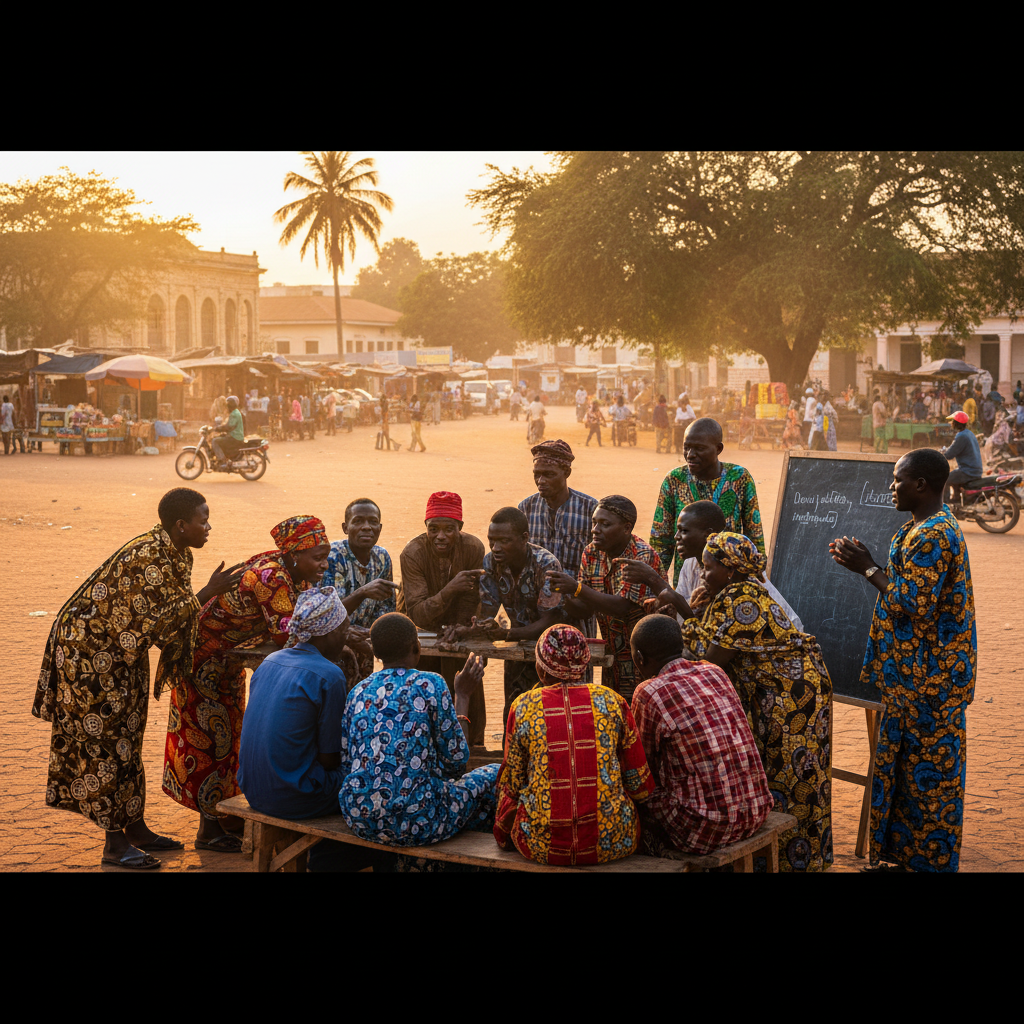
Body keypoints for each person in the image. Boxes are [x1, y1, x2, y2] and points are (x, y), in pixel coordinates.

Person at [31, 488, 241, 869]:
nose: (208, 527)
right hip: (90, 655)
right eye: (203, 519)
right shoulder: (149, 557)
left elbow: (162, 619)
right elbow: (157, 621)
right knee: (107, 744)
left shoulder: (176, 554)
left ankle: (136, 829)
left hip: (122, 653)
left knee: (128, 738)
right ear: (181, 525)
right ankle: (114, 845)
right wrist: (209, 592)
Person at [830, 449, 975, 872]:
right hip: (913, 680)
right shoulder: (920, 528)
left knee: (930, 781)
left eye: (897, 480)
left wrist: (867, 568)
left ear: (921, 485)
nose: (890, 487)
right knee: (910, 774)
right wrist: (871, 561)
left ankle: (931, 860)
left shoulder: (934, 534)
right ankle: (907, 856)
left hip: (930, 682)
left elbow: (915, 603)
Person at [162, 515, 331, 851]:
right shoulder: (271, 576)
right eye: (317, 557)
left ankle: (222, 817)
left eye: (326, 556)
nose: (324, 564)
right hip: (202, 662)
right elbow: (291, 634)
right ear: (295, 554)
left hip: (226, 661)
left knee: (230, 738)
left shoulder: (295, 573)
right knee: (210, 743)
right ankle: (208, 830)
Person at [674, 532, 834, 872]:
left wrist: (679, 607)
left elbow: (710, 661)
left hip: (792, 700)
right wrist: (699, 609)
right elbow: (713, 640)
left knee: (792, 775)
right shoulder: (732, 593)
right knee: (780, 773)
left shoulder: (741, 598)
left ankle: (796, 861)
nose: (702, 575)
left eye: (707, 567)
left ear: (730, 570)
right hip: (780, 694)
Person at [494, 624, 654, 865]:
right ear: (584, 666)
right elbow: (640, 785)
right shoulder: (613, 701)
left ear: (541, 669)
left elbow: (512, 784)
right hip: (613, 841)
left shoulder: (523, 706)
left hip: (540, 844)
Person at [339, 613, 501, 845]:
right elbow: (457, 762)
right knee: (496, 773)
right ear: (417, 647)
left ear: (376, 653)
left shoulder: (358, 692)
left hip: (360, 818)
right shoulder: (430, 684)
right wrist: (462, 695)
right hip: (421, 819)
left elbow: (347, 762)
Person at [236, 586, 360, 870]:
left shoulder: (269, 661)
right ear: (327, 633)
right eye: (344, 629)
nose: (347, 636)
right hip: (295, 797)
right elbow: (330, 759)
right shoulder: (329, 675)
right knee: (371, 778)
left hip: (253, 789)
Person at [629, 614, 772, 856]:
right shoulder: (714, 671)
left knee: (635, 785)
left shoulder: (649, 692)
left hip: (704, 829)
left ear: (639, 658)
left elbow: (645, 766)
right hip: (754, 810)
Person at [447, 506, 566, 740]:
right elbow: (488, 611)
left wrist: (506, 634)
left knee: (550, 716)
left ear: (524, 538)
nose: (496, 547)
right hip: (518, 645)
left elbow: (550, 619)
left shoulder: (546, 564)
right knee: (514, 711)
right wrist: (472, 628)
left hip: (554, 647)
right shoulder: (491, 563)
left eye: (504, 541)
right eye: (492, 540)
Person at [547, 496, 665, 702]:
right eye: (594, 522)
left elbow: (622, 607)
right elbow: (585, 609)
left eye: (605, 524)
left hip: (647, 656)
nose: (595, 529)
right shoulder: (592, 553)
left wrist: (576, 588)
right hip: (614, 655)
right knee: (619, 709)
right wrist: (561, 595)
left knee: (645, 709)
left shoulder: (641, 556)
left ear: (627, 528)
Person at [624, 501, 802, 628]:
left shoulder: (740, 584)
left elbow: (706, 636)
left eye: (684, 531)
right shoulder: (690, 564)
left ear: (708, 534)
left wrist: (655, 581)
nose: (676, 537)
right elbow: (689, 615)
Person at [397, 491, 486, 744]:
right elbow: (417, 612)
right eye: (433, 528)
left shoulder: (473, 547)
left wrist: (458, 626)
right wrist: (450, 589)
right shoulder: (412, 553)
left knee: (468, 685)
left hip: (460, 631)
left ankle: (471, 748)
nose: (441, 536)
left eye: (449, 529)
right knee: (423, 699)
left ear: (460, 527)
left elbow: (472, 598)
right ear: (425, 526)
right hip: (420, 632)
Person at [650, 417, 764, 586]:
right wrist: (655, 584)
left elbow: (754, 534)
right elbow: (661, 540)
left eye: (699, 449)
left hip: (730, 581)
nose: (690, 455)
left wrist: (757, 576)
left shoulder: (739, 478)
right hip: (687, 581)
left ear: (718, 449)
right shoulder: (674, 480)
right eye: (686, 447)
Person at [321, 498, 397, 681]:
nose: (366, 527)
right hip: (331, 646)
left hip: (364, 643)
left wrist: (375, 634)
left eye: (372, 522)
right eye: (358, 521)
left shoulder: (382, 557)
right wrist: (362, 592)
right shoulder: (334, 557)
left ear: (380, 527)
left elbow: (387, 607)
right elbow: (327, 615)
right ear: (345, 528)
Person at [940, 410, 984, 503]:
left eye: (952, 421)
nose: (951, 423)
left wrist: (941, 454)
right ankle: (956, 500)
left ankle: (944, 506)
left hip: (968, 471)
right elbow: (955, 448)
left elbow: (949, 455)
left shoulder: (961, 436)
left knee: (943, 479)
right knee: (954, 476)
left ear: (956, 423)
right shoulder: (969, 433)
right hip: (974, 469)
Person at [210, 395, 245, 468]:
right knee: (219, 438)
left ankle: (222, 461)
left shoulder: (234, 414)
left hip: (235, 437)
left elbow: (229, 427)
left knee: (214, 441)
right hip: (234, 435)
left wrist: (217, 428)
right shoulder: (235, 412)